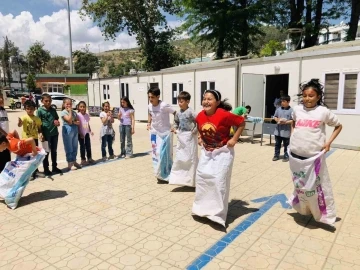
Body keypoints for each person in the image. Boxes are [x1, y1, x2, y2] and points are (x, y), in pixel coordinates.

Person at [288, 78, 342, 227]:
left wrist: (328, 142)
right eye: (304, 95)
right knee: (300, 185)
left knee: (316, 187)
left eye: (311, 96)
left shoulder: (322, 112)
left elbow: (338, 126)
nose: (307, 99)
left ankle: (324, 214)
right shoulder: (297, 109)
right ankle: (303, 208)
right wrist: (293, 135)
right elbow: (293, 122)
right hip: (296, 157)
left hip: (314, 158)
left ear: (318, 97)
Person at [192, 89, 245, 226]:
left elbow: (241, 122)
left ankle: (216, 214)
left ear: (217, 102)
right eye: (204, 98)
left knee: (218, 181)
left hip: (223, 152)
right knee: (203, 178)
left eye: (210, 99)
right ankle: (202, 210)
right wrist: (199, 137)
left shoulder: (223, 115)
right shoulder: (200, 115)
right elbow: (199, 126)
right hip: (207, 151)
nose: (206, 101)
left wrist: (234, 139)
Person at [169, 91, 198, 187]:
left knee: (190, 157)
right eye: (178, 101)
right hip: (181, 137)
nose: (179, 104)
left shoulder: (191, 112)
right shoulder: (178, 113)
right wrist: (175, 129)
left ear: (187, 101)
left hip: (190, 137)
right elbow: (176, 122)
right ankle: (182, 179)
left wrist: (194, 131)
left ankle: (192, 180)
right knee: (181, 156)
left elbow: (198, 121)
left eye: (181, 102)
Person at [147, 87, 176, 182]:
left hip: (165, 133)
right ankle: (158, 173)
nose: (150, 99)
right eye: (149, 97)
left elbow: (175, 113)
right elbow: (150, 114)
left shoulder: (164, 105)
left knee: (163, 154)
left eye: (152, 97)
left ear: (158, 96)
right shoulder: (150, 106)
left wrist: (174, 125)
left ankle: (166, 173)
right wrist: (148, 123)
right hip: (154, 133)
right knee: (156, 154)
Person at [36, 93, 62, 176]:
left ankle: (54, 167)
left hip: (54, 133)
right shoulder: (40, 111)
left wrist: (57, 123)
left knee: (54, 151)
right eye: (46, 101)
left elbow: (56, 120)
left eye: (50, 101)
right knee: (46, 152)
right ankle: (46, 169)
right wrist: (40, 133)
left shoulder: (53, 110)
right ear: (42, 101)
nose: (48, 102)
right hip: (46, 135)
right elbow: (38, 123)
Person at [18, 100, 43, 178]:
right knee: (28, 156)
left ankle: (36, 171)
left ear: (34, 109)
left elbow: (39, 128)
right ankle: (29, 173)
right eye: (28, 108)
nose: (29, 110)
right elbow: (19, 125)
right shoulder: (24, 117)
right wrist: (19, 122)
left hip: (34, 139)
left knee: (35, 155)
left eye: (31, 108)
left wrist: (40, 134)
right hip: (26, 140)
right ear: (25, 109)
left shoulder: (37, 119)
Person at [61, 98, 81, 171]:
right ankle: (70, 163)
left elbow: (78, 122)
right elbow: (69, 120)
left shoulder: (74, 112)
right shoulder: (63, 112)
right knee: (69, 147)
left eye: (70, 104)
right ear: (64, 104)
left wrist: (73, 122)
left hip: (75, 129)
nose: (69, 106)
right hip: (67, 130)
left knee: (75, 146)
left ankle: (74, 161)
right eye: (67, 104)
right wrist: (69, 112)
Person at [272, 95, 293, 162]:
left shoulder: (291, 110)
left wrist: (286, 122)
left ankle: (286, 156)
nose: (282, 103)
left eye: (284, 101)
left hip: (286, 131)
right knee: (277, 144)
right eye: (281, 101)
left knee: (286, 145)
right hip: (278, 131)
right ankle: (276, 155)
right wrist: (277, 120)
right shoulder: (278, 109)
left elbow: (293, 120)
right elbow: (275, 117)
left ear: (288, 102)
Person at [77, 101, 95, 166]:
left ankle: (89, 158)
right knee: (82, 147)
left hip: (86, 133)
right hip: (81, 134)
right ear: (78, 107)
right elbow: (78, 125)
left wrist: (90, 131)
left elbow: (87, 123)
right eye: (81, 107)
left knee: (88, 146)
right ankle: (83, 160)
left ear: (85, 107)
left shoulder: (87, 115)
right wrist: (80, 132)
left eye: (83, 107)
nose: (82, 108)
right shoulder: (78, 115)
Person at [0, 95, 11, 172]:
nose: (1, 99)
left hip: (6, 137)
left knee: (7, 158)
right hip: (1, 138)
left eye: (2, 98)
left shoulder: (4, 110)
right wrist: (5, 135)